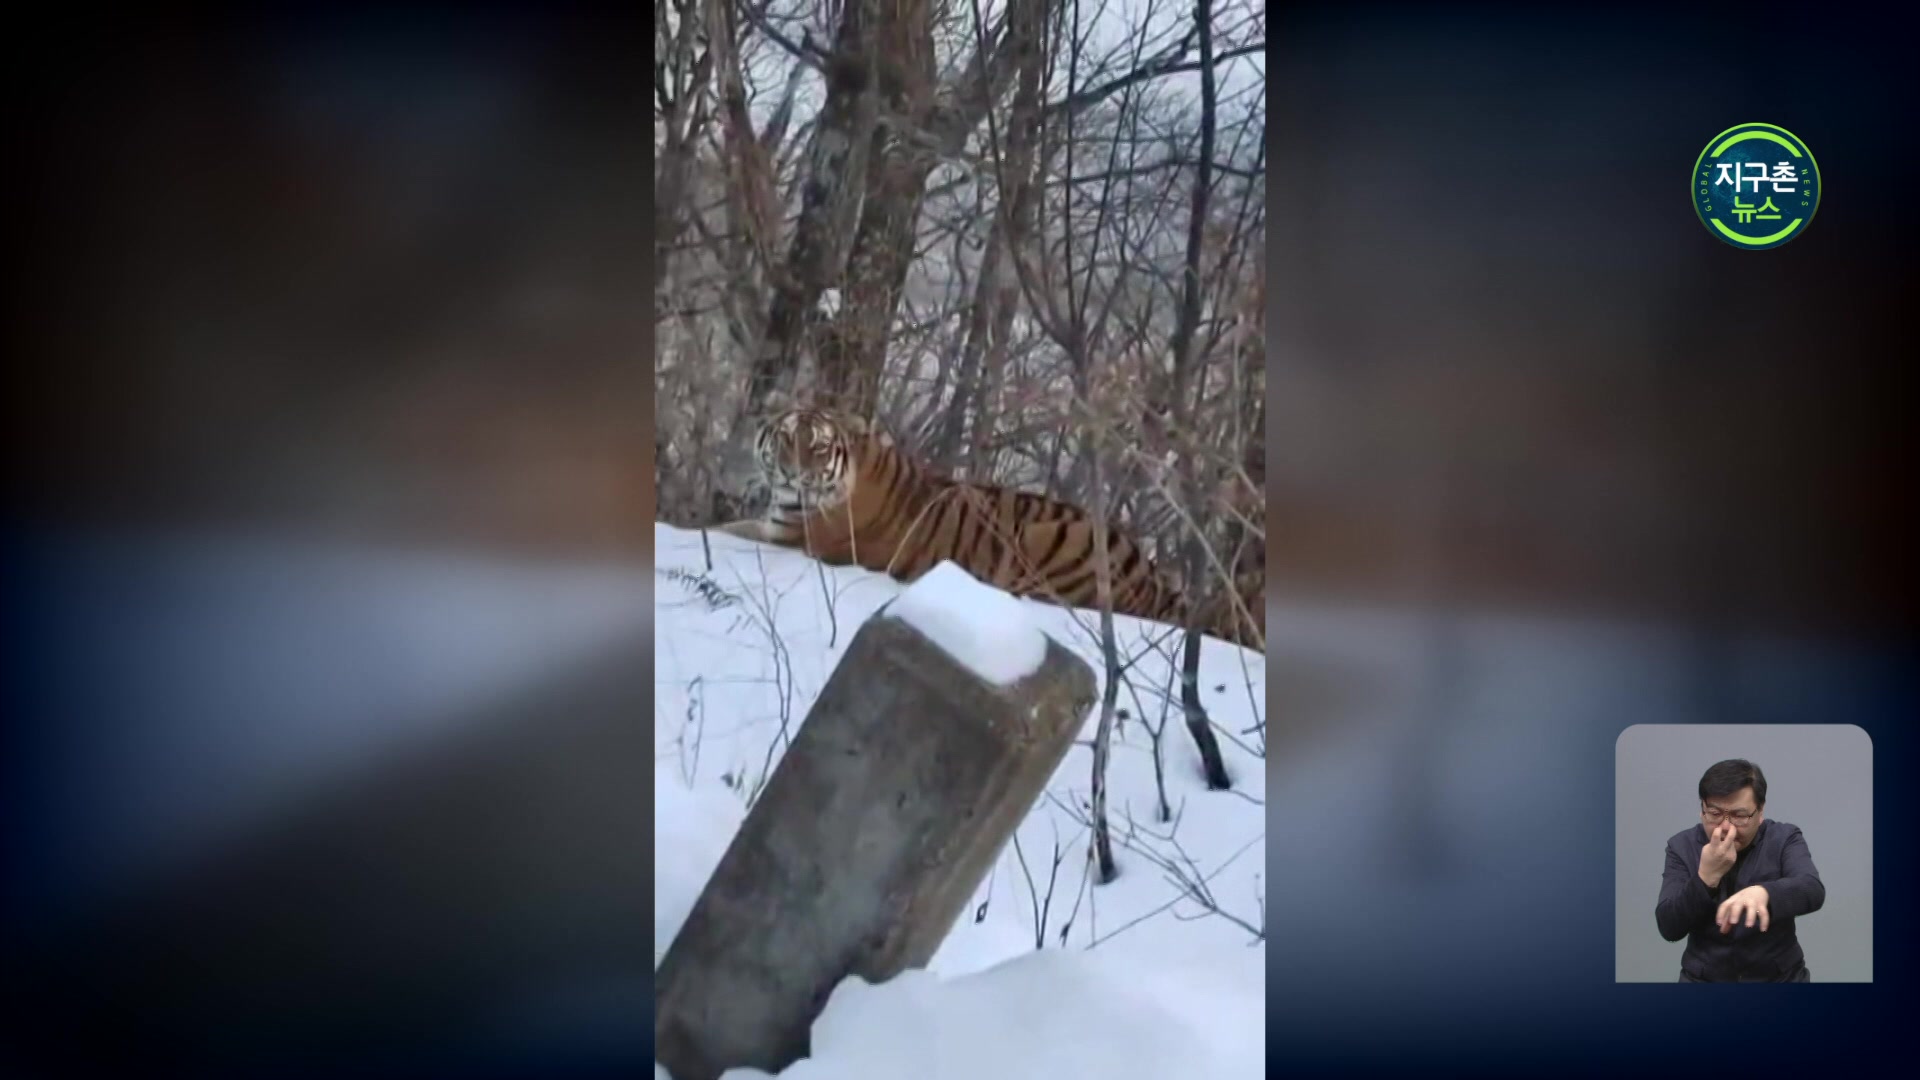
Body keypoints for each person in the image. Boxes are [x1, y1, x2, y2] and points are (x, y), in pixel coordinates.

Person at [1656, 758, 1825, 982]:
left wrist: (1763, 893)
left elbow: (1811, 888)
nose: (1726, 827)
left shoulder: (1784, 837)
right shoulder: (1681, 846)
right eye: (1714, 814)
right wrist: (1705, 878)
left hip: (1780, 979)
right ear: (1702, 809)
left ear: (1760, 811)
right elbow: (1669, 927)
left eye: (1739, 815)